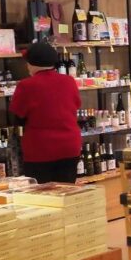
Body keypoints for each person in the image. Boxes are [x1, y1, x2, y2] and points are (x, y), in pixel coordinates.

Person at [10, 42, 82, 183]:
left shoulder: (26, 85)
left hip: (40, 150)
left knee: (42, 198)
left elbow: (18, 116)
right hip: (70, 146)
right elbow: (75, 106)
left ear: (31, 64)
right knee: (66, 193)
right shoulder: (69, 81)